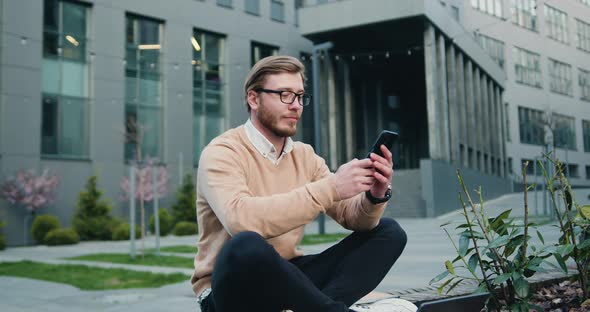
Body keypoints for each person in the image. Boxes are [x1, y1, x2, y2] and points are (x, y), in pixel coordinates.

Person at [191, 55, 409, 312]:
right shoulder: (223, 151)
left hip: (291, 279)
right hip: (231, 290)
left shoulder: (305, 156)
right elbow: (241, 220)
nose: (295, 105)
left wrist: (374, 195)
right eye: (284, 94)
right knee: (245, 245)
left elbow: (355, 219)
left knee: (389, 232)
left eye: (300, 96)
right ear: (254, 98)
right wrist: (331, 187)